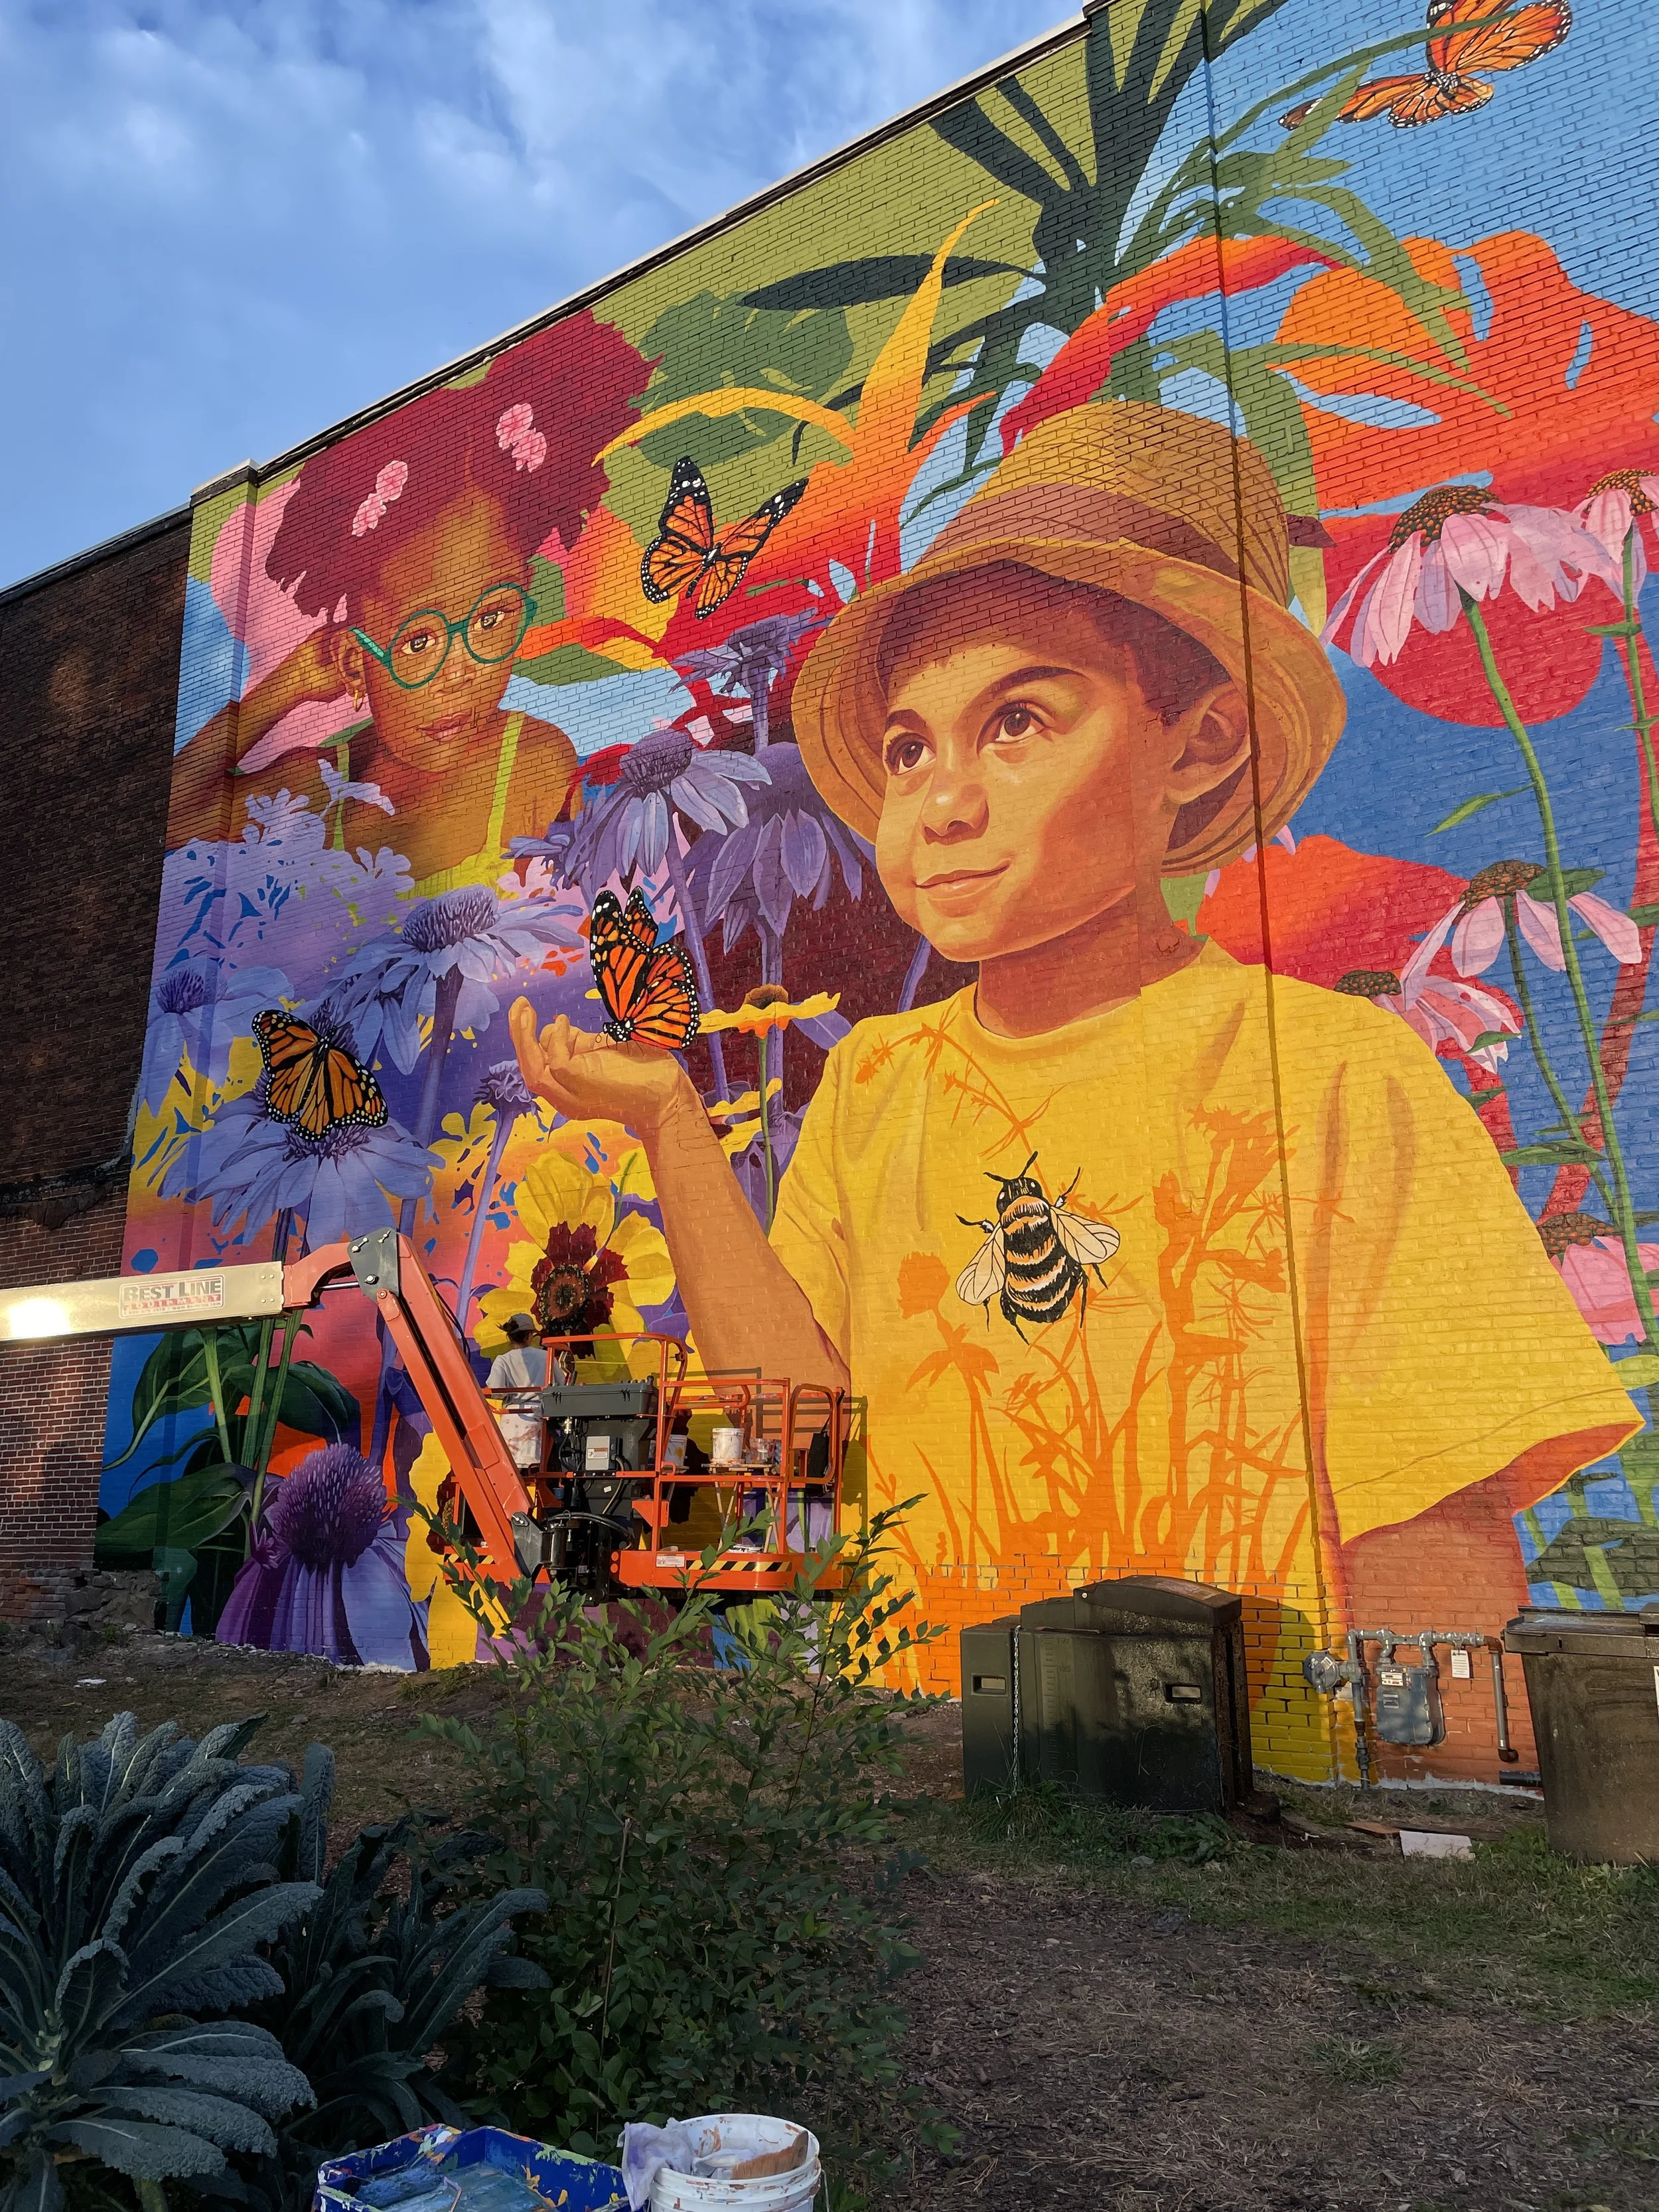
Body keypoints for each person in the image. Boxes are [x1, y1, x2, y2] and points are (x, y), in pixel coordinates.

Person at [508, 401, 1638, 1770]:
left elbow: (1430, 1541)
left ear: (1201, 743)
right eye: (912, 746)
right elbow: (792, 1443)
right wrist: (671, 1126)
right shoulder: (877, 1081)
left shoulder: (1338, 1077)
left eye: (1020, 721)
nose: (940, 803)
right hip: (922, 1784)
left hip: (1238, 1810)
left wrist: (1418, 1834)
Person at [167, 315, 646, 889]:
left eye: (492, 618)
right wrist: (286, 686)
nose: (460, 672)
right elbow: (179, 818)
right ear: (352, 661)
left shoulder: (530, 761)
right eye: (419, 641)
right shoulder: (312, 795)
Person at [486, 1312, 549, 1475]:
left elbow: (496, 1391)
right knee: (538, 1473)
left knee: (510, 1472)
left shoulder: (503, 1360)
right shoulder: (547, 1357)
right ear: (530, 1335)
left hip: (511, 1420)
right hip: (538, 1419)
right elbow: (560, 1387)